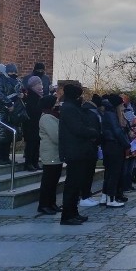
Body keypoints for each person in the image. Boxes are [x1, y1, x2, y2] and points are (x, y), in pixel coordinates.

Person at [58, 84, 100, 225]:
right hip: (74, 150)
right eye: (80, 95)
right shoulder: (69, 109)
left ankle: (73, 212)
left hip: (79, 150)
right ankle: (67, 215)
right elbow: (78, 129)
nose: (82, 98)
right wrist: (93, 132)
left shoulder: (72, 108)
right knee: (72, 185)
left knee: (76, 185)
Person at [100, 94, 127, 207]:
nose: (123, 108)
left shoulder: (108, 113)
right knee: (114, 173)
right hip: (114, 146)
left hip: (109, 146)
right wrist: (127, 144)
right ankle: (111, 199)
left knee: (109, 173)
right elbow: (117, 131)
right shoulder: (111, 115)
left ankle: (105, 196)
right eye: (122, 105)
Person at [36, 95, 62, 215]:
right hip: (50, 153)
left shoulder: (52, 116)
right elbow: (55, 136)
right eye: (55, 102)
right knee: (48, 181)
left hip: (55, 154)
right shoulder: (47, 117)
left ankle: (51, 203)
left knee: (54, 181)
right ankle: (44, 204)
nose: (57, 104)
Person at [0, 63, 16, 165]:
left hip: (7, 110)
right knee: (0, 135)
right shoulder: (0, 80)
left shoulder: (8, 80)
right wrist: (8, 103)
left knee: (7, 135)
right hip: (0, 110)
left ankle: (5, 156)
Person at [22, 76, 45, 172]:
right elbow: (33, 110)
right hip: (31, 124)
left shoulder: (39, 96)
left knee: (36, 143)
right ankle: (29, 163)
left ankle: (35, 162)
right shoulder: (31, 96)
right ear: (33, 86)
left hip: (37, 124)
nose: (41, 86)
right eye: (38, 84)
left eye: (40, 84)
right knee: (31, 144)